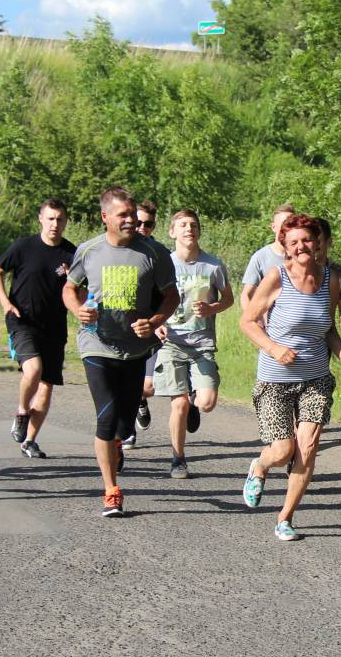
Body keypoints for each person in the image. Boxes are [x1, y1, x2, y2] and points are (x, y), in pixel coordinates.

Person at [240, 214, 341, 541]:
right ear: (285, 246)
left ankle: (285, 518)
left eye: (307, 240)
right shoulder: (276, 277)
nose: (301, 246)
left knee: (307, 448)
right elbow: (248, 321)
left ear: (318, 242)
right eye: (293, 242)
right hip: (275, 379)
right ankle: (260, 467)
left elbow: (328, 328)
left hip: (316, 379)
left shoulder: (331, 280)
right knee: (283, 450)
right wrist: (273, 348)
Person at [62, 186, 177, 517]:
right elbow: (70, 288)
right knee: (106, 417)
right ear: (105, 217)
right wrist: (78, 310)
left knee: (125, 426)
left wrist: (154, 321)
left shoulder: (153, 252)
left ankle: (117, 442)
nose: (131, 220)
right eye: (123, 215)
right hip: (96, 343)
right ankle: (111, 490)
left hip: (136, 349)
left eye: (132, 214)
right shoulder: (89, 250)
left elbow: (171, 296)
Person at [152, 209, 233, 478]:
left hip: (202, 344)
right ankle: (178, 459)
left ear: (199, 231)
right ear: (172, 232)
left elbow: (228, 298)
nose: (189, 229)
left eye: (194, 225)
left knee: (206, 402)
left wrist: (212, 308)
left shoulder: (213, 265)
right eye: (183, 225)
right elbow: (150, 298)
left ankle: (194, 402)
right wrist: (157, 322)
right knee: (178, 405)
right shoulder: (163, 264)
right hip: (171, 342)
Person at [0, 198, 76, 458]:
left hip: (54, 326)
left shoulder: (71, 254)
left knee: (47, 385)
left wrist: (76, 288)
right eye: (50, 218)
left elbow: (81, 289)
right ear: (41, 219)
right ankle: (21, 411)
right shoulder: (24, 246)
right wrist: (5, 303)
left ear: (66, 222)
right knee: (33, 369)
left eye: (60, 219)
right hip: (22, 321)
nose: (55, 224)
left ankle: (29, 441)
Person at [129, 198, 165, 448]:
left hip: (152, 326)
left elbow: (171, 293)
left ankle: (141, 399)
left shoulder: (159, 253)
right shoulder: (118, 249)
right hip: (123, 328)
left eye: (148, 224)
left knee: (148, 386)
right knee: (125, 382)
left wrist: (162, 319)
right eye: (138, 222)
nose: (142, 228)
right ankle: (127, 431)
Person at [239, 204, 296, 314]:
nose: (288, 228)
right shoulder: (261, 257)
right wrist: (252, 319)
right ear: (273, 227)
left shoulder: (300, 256)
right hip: (268, 322)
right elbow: (246, 295)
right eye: (284, 224)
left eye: (292, 224)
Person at [315, 219, 341, 330]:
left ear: (329, 242)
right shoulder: (290, 271)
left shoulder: (340, 274)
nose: (312, 245)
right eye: (308, 240)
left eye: (318, 241)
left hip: (327, 335)